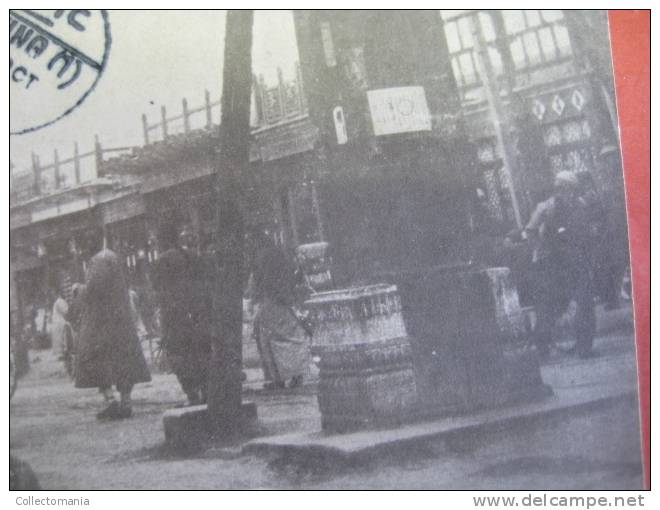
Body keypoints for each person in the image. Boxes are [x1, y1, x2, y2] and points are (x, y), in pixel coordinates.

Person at [524, 170, 597, 359]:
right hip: (552, 262)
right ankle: (542, 346)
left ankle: (585, 346)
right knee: (548, 305)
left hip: (575, 260)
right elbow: (530, 231)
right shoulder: (545, 208)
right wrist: (540, 250)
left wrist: (587, 254)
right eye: (560, 188)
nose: (564, 193)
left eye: (568, 189)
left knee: (585, 302)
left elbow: (587, 231)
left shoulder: (580, 205)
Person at [75, 248, 151, 420]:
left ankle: (111, 401)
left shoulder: (97, 260)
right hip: (121, 318)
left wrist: (78, 289)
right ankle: (126, 402)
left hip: (102, 322)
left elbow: (94, 289)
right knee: (123, 362)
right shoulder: (113, 257)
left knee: (97, 361)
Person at [154, 220, 211, 406]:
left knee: (179, 356)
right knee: (199, 353)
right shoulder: (191, 256)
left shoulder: (163, 260)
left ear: (162, 239)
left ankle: (192, 394)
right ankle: (206, 390)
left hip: (175, 316)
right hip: (196, 313)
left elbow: (162, 291)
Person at [251, 231, 311, 390]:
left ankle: (277, 378)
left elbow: (259, 281)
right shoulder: (279, 254)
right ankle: (296, 373)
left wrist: (254, 298)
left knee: (267, 340)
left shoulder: (260, 257)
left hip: (270, 300)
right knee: (289, 337)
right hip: (283, 299)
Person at [51, 288, 70, 359]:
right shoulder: (56, 302)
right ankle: (60, 354)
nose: (53, 296)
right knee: (58, 338)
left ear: (57, 293)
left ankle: (63, 353)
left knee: (61, 338)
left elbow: (65, 311)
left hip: (60, 322)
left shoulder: (60, 301)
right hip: (57, 322)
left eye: (54, 294)